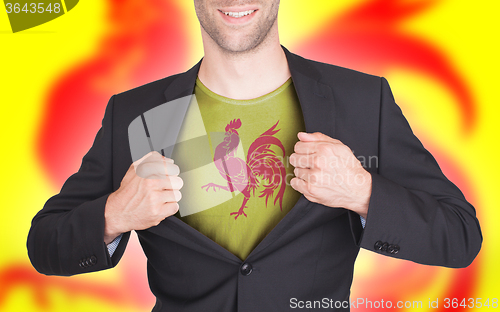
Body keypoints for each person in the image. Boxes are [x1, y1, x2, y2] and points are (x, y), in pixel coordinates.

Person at [27, 0, 482, 311]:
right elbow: (44, 245)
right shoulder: (136, 113)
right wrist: (113, 215)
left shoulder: (363, 101)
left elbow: (460, 236)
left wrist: (363, 191)